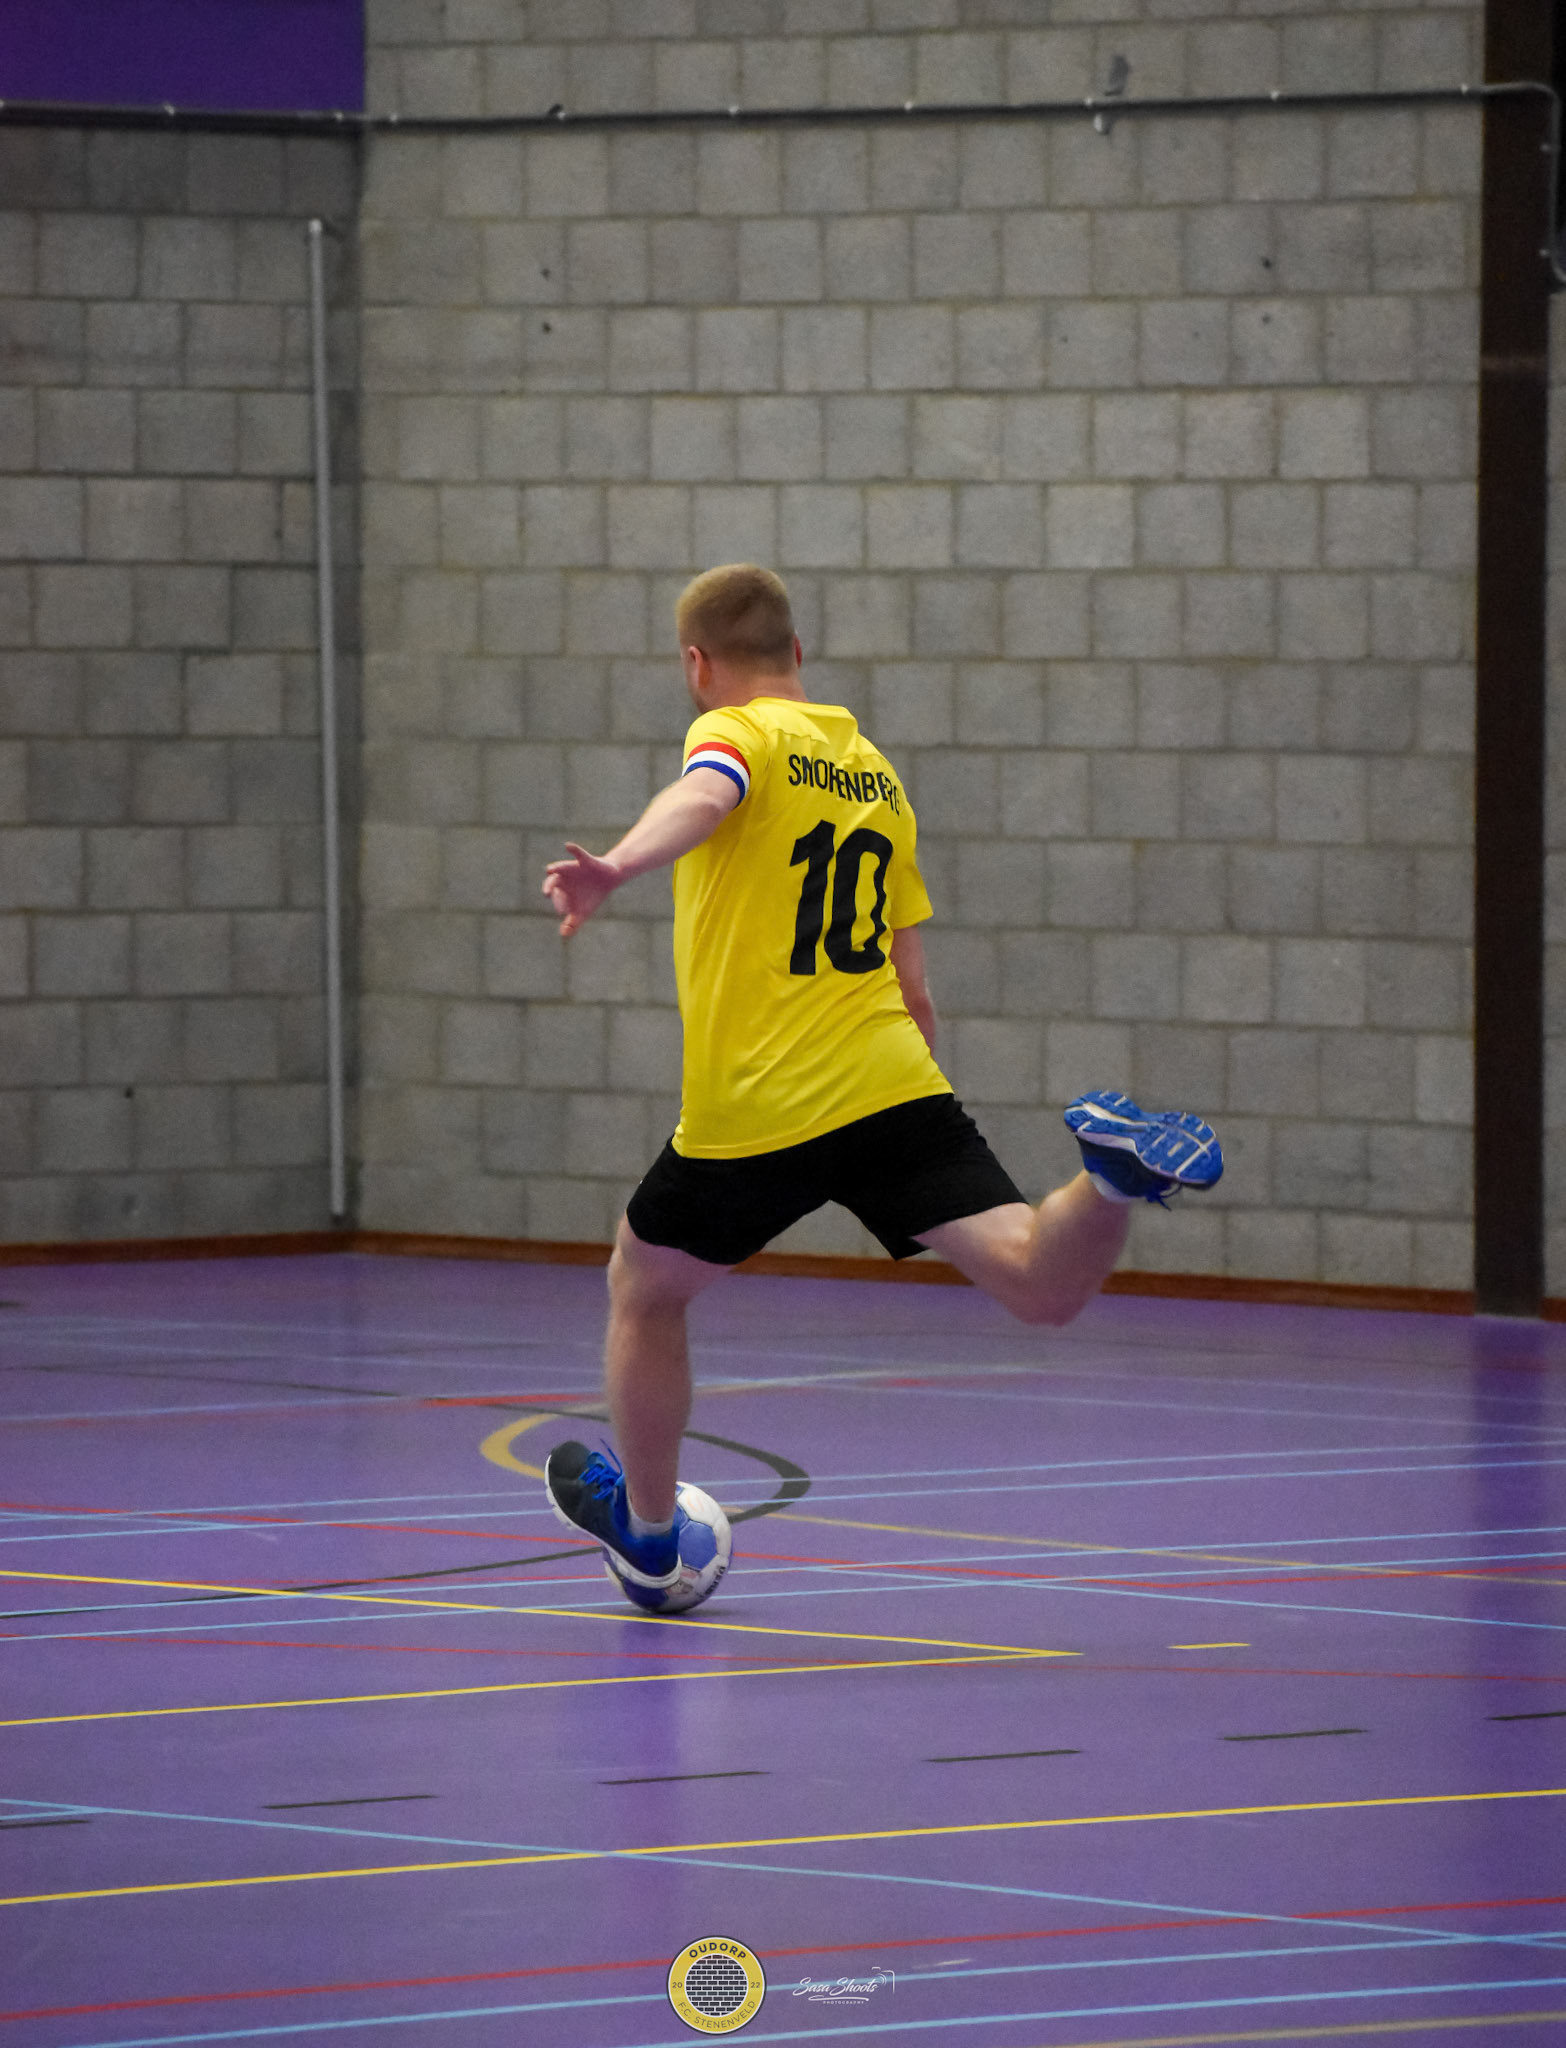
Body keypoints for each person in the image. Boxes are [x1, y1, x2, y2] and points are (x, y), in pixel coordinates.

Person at [540, 564, 1222, 1602]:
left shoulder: (737, 733)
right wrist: (924, 1130)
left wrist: (620, 865)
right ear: (798, 653)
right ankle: (1110, 1183)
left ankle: (648, 1532)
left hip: (759, 1104)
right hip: (890, 1078)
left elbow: (706, 792)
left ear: (697, 666)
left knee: (645, 1286)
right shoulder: (875, 776)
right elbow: (913, 985)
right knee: (1039, 1283)